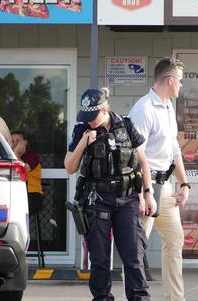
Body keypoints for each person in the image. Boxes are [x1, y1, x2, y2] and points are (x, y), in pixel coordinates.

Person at [64, 87, 156, 301]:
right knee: (100, 261)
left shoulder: (126, 125)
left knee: (134, 258)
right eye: (86, 116)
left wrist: (148, 192)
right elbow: (69, 167)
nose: (90, 121)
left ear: (105, 109)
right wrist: (83, 143)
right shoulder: (81, 130)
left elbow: (143, 162)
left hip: (127, 200)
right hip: (96, 201)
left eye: (93, 116)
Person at [129, 57, 189, 301]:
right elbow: (135, 153)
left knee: (175, 240)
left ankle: (175, 298)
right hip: (146, 187)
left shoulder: (167, 107)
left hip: (165, 186)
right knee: (137, 250)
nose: (181, 86)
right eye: (180, 82)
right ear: (170, 80)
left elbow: (173, 147)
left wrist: (184, 183)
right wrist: (145, 191)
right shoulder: (143, 109)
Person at [12, 131, 45, 267]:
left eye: (18, 141)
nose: (14, 144)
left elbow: (22, 171)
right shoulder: (9, 156)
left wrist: (17, 154)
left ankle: (20, 254)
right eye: (12, 141)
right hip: (17, 196)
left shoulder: (31, 156)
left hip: (32, 196)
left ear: (25, 143)